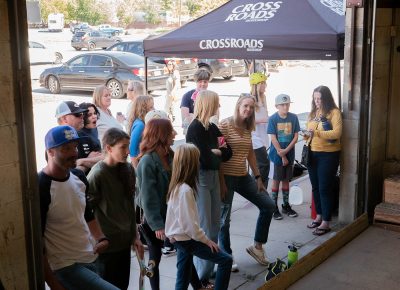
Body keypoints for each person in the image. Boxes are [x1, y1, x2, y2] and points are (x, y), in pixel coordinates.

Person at [39, 125, 118, 290]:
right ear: (50, 152)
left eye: (75, 147)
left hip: (90, 257)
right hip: (64, 265)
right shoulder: (41, 186)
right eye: (66, 148)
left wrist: (101, 238)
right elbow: (37, 242)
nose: (74, 152)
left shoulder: (79, 176)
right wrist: (53, 283)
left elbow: (86, 213)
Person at [218, 94, 275, 267]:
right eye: (246, 106)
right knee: (224, 221)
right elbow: (218, 155)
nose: (248, 110)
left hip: (243, 176)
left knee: (268, 205)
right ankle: (227, 256)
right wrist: (221, 182)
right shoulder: (225, 125)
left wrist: (257, 177)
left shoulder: (247, 126)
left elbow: (250, 152)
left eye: (251, 107)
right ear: (238, 105)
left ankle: (257, 247)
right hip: (226, 178)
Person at [166, 143, 233, 290]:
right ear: (190, 164)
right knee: (226, 260)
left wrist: (170, 234)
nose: (199, 162)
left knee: (183, 275)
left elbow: (174, 218)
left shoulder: (177, 186)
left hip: (179, 238)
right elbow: (190, 225)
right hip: (186, 239)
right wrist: (207, 240)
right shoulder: (185, 191)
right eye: (197, 160)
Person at [87, 128, 143, 289]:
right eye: (123, 147)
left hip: (124, 243)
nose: (127, 151)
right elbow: (86, 212)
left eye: (128, 146)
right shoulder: (97, 175)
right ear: (109, 148)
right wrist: (97, 239)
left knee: (122, 285)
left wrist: (135, 236)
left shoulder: (128, 169)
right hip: (107, 247)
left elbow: (129, 207)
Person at [186, 90, 233, 282]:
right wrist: (216, 152)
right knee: (205, 226)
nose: (219, 106)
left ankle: (208, 269)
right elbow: (202, 159)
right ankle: (201, 276)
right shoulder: (194, 129)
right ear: (208, 104)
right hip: (202, 179)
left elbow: (228, 151)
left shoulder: (213, 128)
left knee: (215, 225)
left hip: (214, 177)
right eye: (217, 102)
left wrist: (216, 152)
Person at [136, 118, 185, 290]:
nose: (175, 134)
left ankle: (197, 284)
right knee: (155, 257)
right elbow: (148, 198)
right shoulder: (147, 161)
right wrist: (158, 225)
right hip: (153, 220)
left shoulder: (170, 155)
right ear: (161, 135)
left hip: (170, 215)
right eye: (171, 130)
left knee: (184, 252)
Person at [305, 85, 342, 236]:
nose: (317, 101)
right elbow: (310, 130)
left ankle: (326, 221)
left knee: (325, 188)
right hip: (312, 152)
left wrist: (317, 133)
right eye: (315, 98)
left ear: (326, 98)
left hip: (328, 154)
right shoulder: (314, 112)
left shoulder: (334, 112)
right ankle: (319, 215)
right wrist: (307, 135)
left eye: (319, 98)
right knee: (315, 187)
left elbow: (336, 133)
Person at [267, 94, 300, 220]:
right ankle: (273, 207)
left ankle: (286, 205)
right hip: (277, 155)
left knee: (286, 180)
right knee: (276, 180)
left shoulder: (293, 118)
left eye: (287, 104)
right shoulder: (273, 119)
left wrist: (286, 151)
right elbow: (273, 138)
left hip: (289, 153)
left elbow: (296, 136)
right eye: (282, 104)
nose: (285, 106)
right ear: (277, 106)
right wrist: (281, 153)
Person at [55, 101, 102, 173]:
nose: (82, 116)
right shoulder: (56, 141)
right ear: (64, 119)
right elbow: (68, 174)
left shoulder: (85, 137)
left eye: (82, 114)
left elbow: (103, 158)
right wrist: (88, 160)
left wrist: (82, 161)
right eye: (77, 114)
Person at [249, 72, 270, 191]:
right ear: (257, 85)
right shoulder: (250, 99)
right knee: (264, 165)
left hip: (263, 135)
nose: (265, 85)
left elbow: (265, 115)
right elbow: (247, 119)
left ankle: (257, 189)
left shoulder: (263, 97)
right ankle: (259, 190)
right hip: (254, 137)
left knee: (258, 166)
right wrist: (266, 119)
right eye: (263, 83)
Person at [126, 95, 154, 168]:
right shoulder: (140, 125)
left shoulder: (143, 122)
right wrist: (137, 170)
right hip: (140, 163)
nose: (154, 109)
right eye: (151, 107)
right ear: (143, 109)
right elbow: (132, 149)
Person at [180, 68, 211, 134]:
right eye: (200, 81)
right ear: (196, 81)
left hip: (208, 127)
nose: (203, 84)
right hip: (192, 127)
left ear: (208, 82)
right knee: (189, 117)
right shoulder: (187, 96)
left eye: (205, 82)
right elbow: (185, 117)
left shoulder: (212, 96)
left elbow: (215, 115)